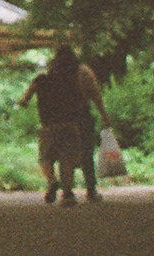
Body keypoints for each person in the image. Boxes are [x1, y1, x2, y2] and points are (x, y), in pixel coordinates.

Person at [18, 45, 106, 204]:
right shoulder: (79, 75)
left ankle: (52, 180)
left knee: (46, 158)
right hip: (74, 121)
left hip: (48, 125)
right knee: (71, 158)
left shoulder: (42, 80)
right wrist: (103, 116)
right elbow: (92, 96)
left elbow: (25, 100)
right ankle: (72, 192)